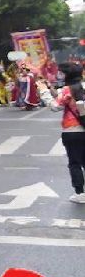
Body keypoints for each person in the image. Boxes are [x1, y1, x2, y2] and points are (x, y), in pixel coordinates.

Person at [40, 66, 85, 202]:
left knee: (75, 163)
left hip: (72, 130)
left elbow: (55, 106)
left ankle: (80, 193)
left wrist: (44, 92)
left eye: (62, 73)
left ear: (67, 75)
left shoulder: (67, 90)